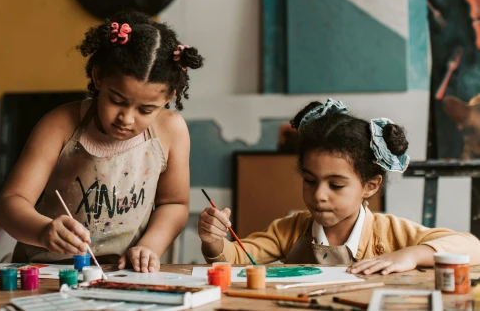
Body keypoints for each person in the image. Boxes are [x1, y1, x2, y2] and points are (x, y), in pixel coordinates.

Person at [0, 11, 204, 272]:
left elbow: (173, 203)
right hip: (47, 272)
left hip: (123, 273)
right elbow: (10, 203)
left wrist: (150, 246)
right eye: (116, 100)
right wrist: (43, 232)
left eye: (146, 110)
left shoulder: (171, 131)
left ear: (169, 97)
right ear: (98, 77)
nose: (126, 118)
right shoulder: (59, 125)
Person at [199, 99, 480, 274]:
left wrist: (410, 255)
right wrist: (213, 240)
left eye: (336, 185)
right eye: (310, 181)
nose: (319, 196)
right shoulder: (290, 230)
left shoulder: (391, 232)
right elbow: (234, 258)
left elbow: (471, 246)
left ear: (370, 185)